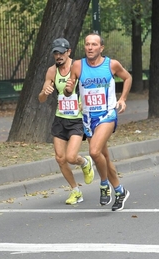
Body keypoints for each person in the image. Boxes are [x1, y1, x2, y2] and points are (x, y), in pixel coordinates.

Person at [64, 33, 132, 211]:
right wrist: (68, 89)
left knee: (94, 152)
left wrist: (123, 99)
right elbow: (68, 90)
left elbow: (128, 78)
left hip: (107, 114)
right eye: (87, 44)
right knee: (104, 158)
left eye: (94, 44)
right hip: (88, 118)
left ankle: (103, 185)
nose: (90, 47)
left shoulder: (112, 64)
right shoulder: (78, 65)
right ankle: (119, 190)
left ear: (101, 48)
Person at [39, 38, 94, 205]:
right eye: (55, 53)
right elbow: (41, 99)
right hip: (60, 118)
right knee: (60, 158)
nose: (58, 56)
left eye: (61, 52)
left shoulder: (78, 67)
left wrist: (84, 102)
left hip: (77, 120)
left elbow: (91, 87)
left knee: (71, 157)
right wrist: (45, 92)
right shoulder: (51, 71)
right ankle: (75, 190)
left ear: (69, 52)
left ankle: (85, 162)